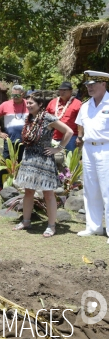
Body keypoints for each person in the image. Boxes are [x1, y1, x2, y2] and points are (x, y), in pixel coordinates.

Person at [12, 92, 73, 237]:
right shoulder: (30, 118)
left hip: (44, 159)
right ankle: (26, 221)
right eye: (28, 102)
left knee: (48, 193)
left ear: (40, 105)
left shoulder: (47, 118)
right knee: (28, 191)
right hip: (29, 158)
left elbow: (69, 131)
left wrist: (58, 148)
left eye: (32, 103)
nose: (28, 105)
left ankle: (51, 226)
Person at [75, 70, 109, 239]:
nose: (89, 87)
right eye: (88, 85)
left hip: (106, 148)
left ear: (103, 84)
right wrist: (80, 138)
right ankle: (94, 226)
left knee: (107, 190)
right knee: (91, 189)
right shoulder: (85, 105)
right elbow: (80, 125)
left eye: (93, 84)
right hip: (88, 148)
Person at [0, 85, 27, 191]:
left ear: (22, 94)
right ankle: (1, 186)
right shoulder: (5, 104)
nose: (14, 97)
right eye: (13, 95)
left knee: (24, 163)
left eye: (17, 95)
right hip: (10, 140)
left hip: (26, 141)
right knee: (6, 162)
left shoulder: (29, 104)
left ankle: (22, 185)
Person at [46, 81, 81, 152]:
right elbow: (46, 118)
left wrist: (79, 137)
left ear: (71, 91)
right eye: (60, 90)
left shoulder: (77, 103)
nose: (62, 92)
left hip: (71, 137)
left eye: (64, 90)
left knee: (69, 160)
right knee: (54, 159)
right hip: (53, 136)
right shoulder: (53, 102)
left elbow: (81, 122)